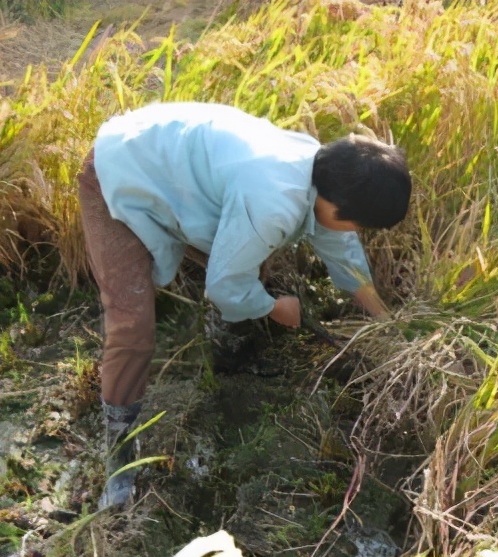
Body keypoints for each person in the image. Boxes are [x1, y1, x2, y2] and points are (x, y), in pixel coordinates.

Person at [77, 101, 412, 508]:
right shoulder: (274, 202)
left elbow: (343, 251)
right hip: (120, 168)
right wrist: (275, 307)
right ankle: (120, 457)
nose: (354, 231)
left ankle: (227, 350)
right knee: (132, 324)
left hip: (175, 168)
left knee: (254, 258)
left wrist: (384, 319)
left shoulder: (323, 177)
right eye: (357, 223)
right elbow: (225, 284)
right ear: (336, 203)